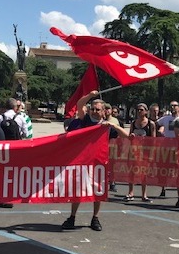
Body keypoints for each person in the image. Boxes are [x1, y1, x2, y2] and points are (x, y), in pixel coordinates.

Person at [61, 90, 128, 232]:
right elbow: (80, 104)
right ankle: (72, 217)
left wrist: (114, 126)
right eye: (92, 108)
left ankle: (95, 218)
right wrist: (90, 95)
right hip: (83, 161)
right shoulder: (85, 120)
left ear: (104, 112)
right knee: (78, 190)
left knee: (98, 191)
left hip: (99, 163)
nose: (94, 111)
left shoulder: (106, 126)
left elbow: (127, 136)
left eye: (97, 109)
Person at [125, 103, 157, 203]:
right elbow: (129, 136)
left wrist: (152, 153)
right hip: (134, 151)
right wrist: (132, 136)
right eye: (138, 110)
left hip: (145, 152)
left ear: (146, 111)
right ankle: (131, 193)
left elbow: (154, 139)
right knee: (132, 172)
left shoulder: (150, 124)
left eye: (141, 110)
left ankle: (144, 194)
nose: (139, 112)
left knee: (144, 173)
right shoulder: (133, 123)